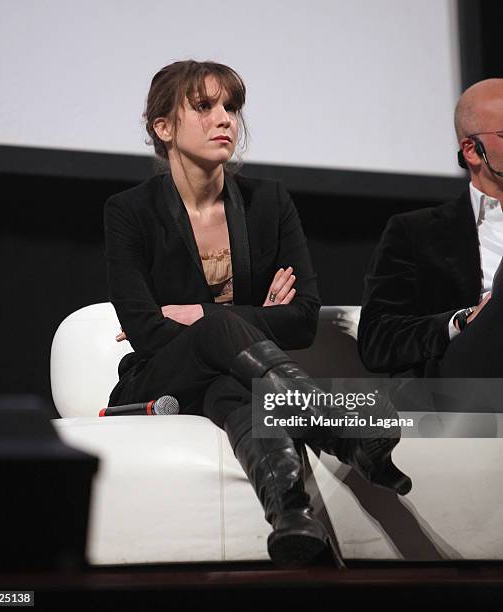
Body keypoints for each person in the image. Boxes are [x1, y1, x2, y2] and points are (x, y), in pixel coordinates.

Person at [105, 60, 410, 568]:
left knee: (236, 390)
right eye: (204, 107)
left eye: (231, 106)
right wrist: (236, 318)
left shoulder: (268, 202)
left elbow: (303, 319)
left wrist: (199, 313)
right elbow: (145, 330)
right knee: (223, 329)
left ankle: (292, 518)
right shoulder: (129, 211)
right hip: (159, 380)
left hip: (234, 381)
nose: (224, 118)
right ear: (163, 128)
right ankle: (340, 428)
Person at [358, 78, 503, 378]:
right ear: (472, 150)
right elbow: (378, 340)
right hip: (464, 380)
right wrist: (461, 321)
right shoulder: (415, 232)